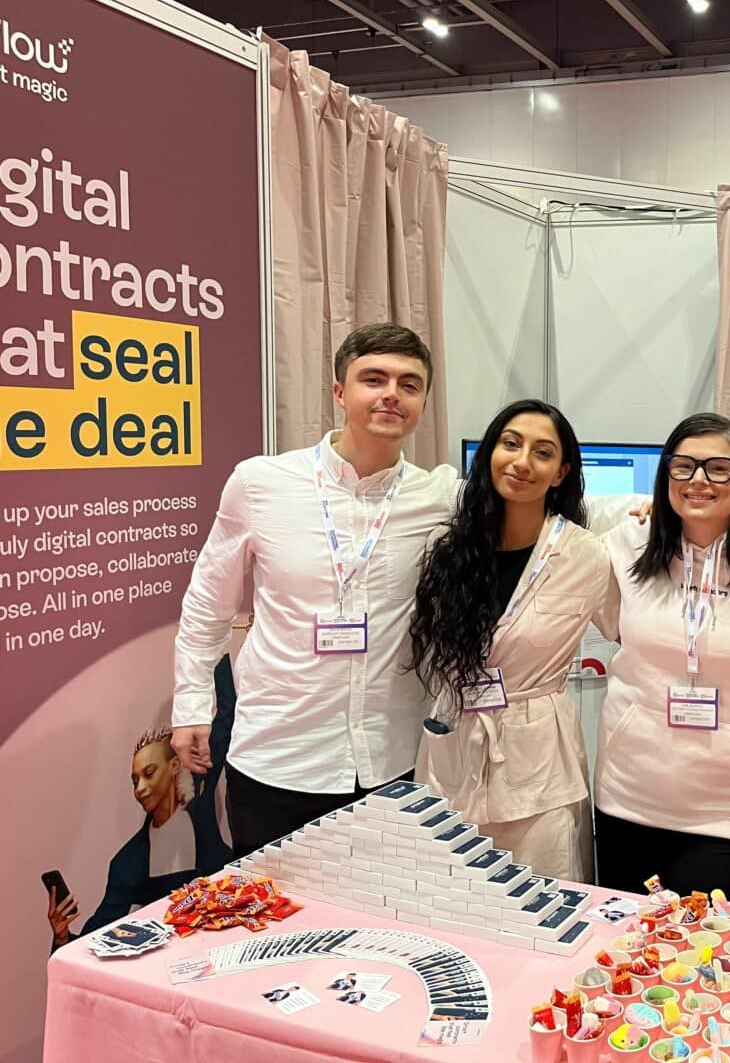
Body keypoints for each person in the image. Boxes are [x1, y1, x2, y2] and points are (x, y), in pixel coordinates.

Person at [171, 323, 460, 858]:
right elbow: (207, 606)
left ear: (422, 401)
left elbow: (530, 518)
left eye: (410, 384)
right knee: (281, 927)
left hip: (390, 762)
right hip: (278, 758)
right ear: (339, 392)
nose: (391, 394)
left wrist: (652, 510)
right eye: (374, 379)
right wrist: (192, 704)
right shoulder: (260, 484)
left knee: (378, 930)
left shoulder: (440, 497)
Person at [590, 413, 730, 897]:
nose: (698, 479)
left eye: (718, 468)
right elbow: (547, 514)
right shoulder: (629, 542)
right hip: (630, 793)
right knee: (628, 950)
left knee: (710, 958)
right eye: (683, 466)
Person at [410, 400, 615, 882]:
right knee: (449, 902)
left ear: (561, 472)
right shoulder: (446, 547)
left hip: (539, 767)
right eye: (510, 444)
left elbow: (643, 631)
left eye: (542, 453)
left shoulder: (586, 556)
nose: (522, 462)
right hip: (452, 756)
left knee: (546, 909)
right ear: (489, 454)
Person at [47, 656, 237, 950]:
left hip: (234, 932)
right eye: (135, 780)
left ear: (175, 767)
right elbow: (92, 943)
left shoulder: (199, 787)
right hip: (177, 960)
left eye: (149, 774)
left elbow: (227, 714)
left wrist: (216, 645)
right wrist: (62, 937)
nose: (141, 788)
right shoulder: (128, 862)